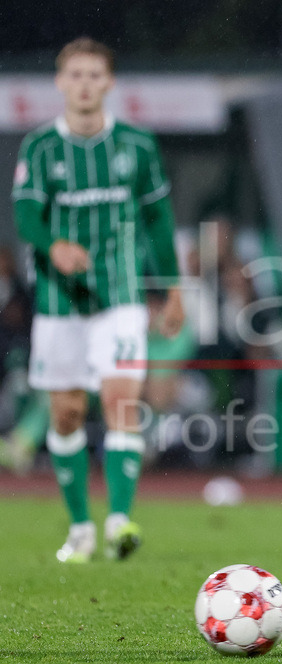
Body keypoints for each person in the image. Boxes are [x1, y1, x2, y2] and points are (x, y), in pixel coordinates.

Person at [11, 37, 183, 563]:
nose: (84, 85)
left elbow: (157, 219)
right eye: (75, 75)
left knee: (119, 401)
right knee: (65, 414)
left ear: (109, 83)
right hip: (60, 302)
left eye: (94, 75)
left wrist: (172, 287)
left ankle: (120, 520)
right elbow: (25, 215)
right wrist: (52, 246)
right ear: (61, 83)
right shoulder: (41, 148)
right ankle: (81, 527)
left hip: (122, 294)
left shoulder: (136, 144)